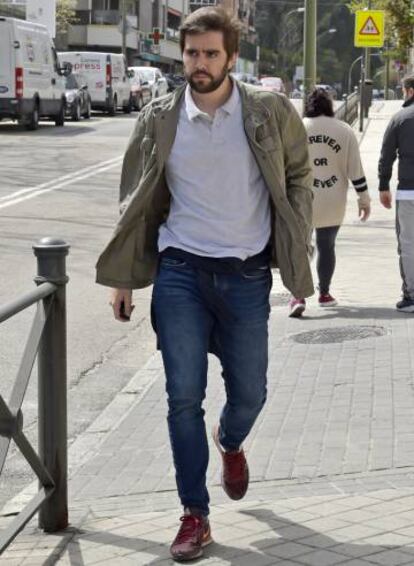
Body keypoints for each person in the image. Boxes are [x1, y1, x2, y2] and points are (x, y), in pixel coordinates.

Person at [96, 6, 313, 562]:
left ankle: (231, 440)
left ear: (231, 57)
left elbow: (296, 176)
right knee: (181, 397)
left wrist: (295, 248)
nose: (199, 63)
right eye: (191, 53)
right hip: (181, 272)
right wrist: (124, 279)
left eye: (211, 54)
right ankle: (194, 515)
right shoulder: (159, 117)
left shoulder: (267, 112)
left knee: (251, 393)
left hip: (245, 275)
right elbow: (136, 199)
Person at [289, 88, 371, 318]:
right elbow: (355, 170)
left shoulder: (297, 128)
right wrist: (363, 199)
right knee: (326, 246)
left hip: (302, 197)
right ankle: (324, 294)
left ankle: (298, 295)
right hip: (333, 199)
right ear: (330, 105)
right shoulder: (344, 131)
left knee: (300, 247)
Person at [378, 76, 414, 313]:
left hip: (408, 192)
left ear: (409, 91)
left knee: (409, 245)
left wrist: (383, 185)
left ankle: (410, 296)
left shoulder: (400, 118)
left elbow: (387, 155)